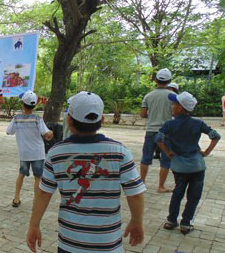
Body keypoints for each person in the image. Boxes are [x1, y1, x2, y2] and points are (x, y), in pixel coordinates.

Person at [26, 91, 146, 253]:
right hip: (108, 243)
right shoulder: (120, 152)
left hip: (70, 243)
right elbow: (135, 194)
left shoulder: (56, 153)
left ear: (69, 120)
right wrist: (137, 222)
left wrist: (34, 225)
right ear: (102, 119)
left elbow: (43, 193)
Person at [156, 92, 221, 235]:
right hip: (197, 165)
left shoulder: (170, 124)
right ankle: (186, 223)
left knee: (177, 193)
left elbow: (158, 138)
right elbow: (216, 136)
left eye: (174, 104)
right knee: (194, 196)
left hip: (179, 166)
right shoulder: (198, 123)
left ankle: (171, 220)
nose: (172, 106)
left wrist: (168, 152)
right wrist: (206, 152)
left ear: (180, 108)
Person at [6, 91, 53, 207]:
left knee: (21, 174)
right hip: (38, 152)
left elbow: (8, 131)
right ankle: (36, 200)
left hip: (24, 153)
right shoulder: (37, 119)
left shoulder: (16, 119)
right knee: (38, 177)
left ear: (22, 103)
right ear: (34, 105)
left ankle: (16, 198)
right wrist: (50, 133)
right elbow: (46, 132)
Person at [140, 68, 173, 193]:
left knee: (146, 158)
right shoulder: (173, 96)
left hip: (151, 130)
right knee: (166, 159)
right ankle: (161, 186)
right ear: (169, 81)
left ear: (155, 80)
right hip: (167, 132)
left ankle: (142, 184)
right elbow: (175, 112)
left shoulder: (148, 96)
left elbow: (143, 114)